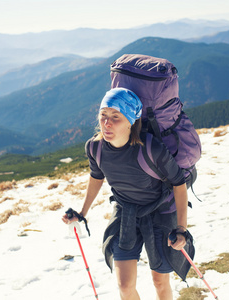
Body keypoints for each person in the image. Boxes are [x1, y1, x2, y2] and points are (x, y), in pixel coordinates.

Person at [62, 88, 195, 300]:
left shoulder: (151, 149)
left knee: (160, 282)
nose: (107, 123)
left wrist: (181, 229)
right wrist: (81, 212)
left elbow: (179, 184)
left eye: (116, 117)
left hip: (160, 211)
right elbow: (97, 177)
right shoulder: (95, 148)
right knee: (124, 287)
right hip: (127, 212)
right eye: (103, 115)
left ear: (131, 121)